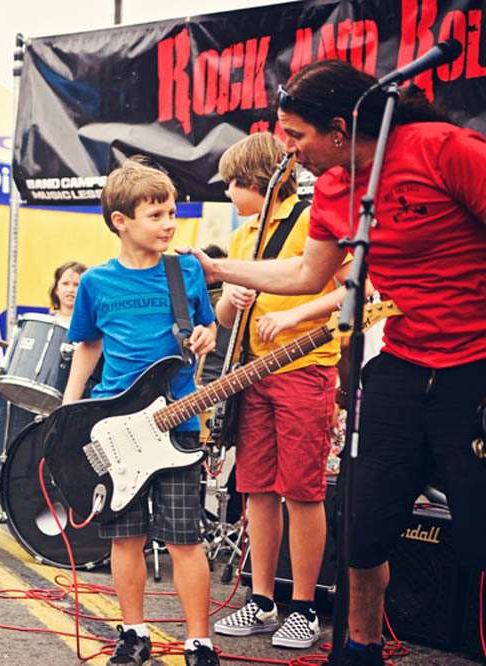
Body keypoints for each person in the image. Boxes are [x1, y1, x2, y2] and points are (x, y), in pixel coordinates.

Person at [182, 59, 486, 666]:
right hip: (402, 364)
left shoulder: (443, 149)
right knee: (364, 527)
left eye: (296, 135)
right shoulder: (335, 188)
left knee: (478, 536)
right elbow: (305, 273)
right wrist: (217, 269)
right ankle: (359, 648)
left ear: (341, 130)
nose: (288, 150)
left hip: (474, 366)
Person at [63, 159, 219, 666]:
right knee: (125, 538)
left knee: (183, 539)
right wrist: (69, 409)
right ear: (120, 221)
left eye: (172, 212)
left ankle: (200, 642)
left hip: (177, 428)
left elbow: (208, 326)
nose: (169, 224)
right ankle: (133, 633)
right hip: (116, 431)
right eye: (156, 215)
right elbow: (87, 345)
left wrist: (206, 334)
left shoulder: (186, 271)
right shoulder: (96, 283)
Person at [211, 133, 346, 649]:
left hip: (303, 368)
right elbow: (224, 313)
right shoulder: (244, 235)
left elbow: (347, 291)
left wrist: (293, 312)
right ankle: (263, 600)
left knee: (302, 490)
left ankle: (305, 607)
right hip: (252, 373)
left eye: (231, 183)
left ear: (257, 180)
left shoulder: (313, 220)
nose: (227, 193)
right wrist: (232, 300)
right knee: (257, 488)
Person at [48, 260, 85, 327]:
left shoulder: (93, 326)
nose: (70, 290)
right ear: (56, 289)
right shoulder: (46, 322)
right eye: (65, 284)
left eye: (77, 285)